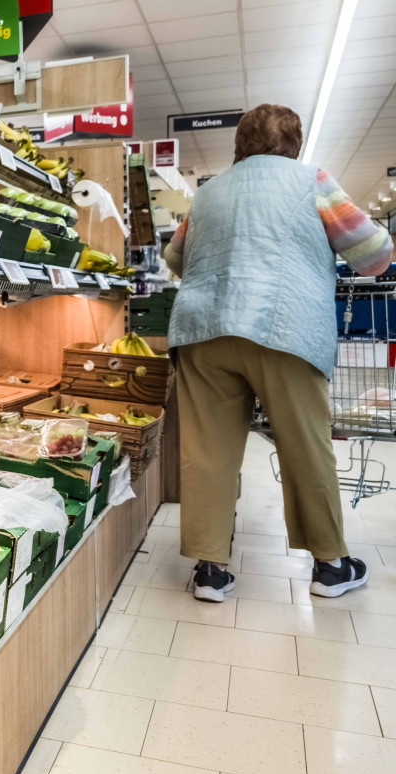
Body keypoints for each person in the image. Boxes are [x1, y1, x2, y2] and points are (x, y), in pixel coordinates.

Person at [164, 103, 394, 603]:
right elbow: (376, 256)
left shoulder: (207, 194)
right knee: (305, 444)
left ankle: (211, 571)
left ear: (238, 147)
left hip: (203, 330)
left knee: (208, 451)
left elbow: (175, 259)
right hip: (284, 326)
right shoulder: (312, 181)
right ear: (295, 144)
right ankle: (331, 566)